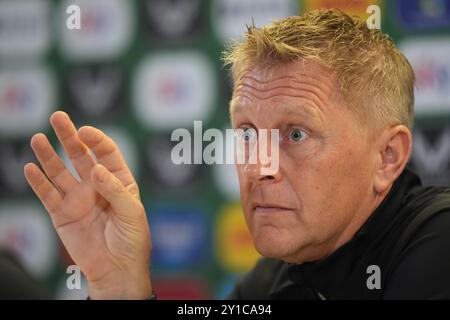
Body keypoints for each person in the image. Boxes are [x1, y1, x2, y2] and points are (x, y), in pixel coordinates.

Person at [24, 9, 450, 299]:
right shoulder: (272, 279)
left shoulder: (438, 245)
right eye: (248, 133)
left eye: (296, 135)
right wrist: (120, 287)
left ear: (388, 157)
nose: (260, 166)